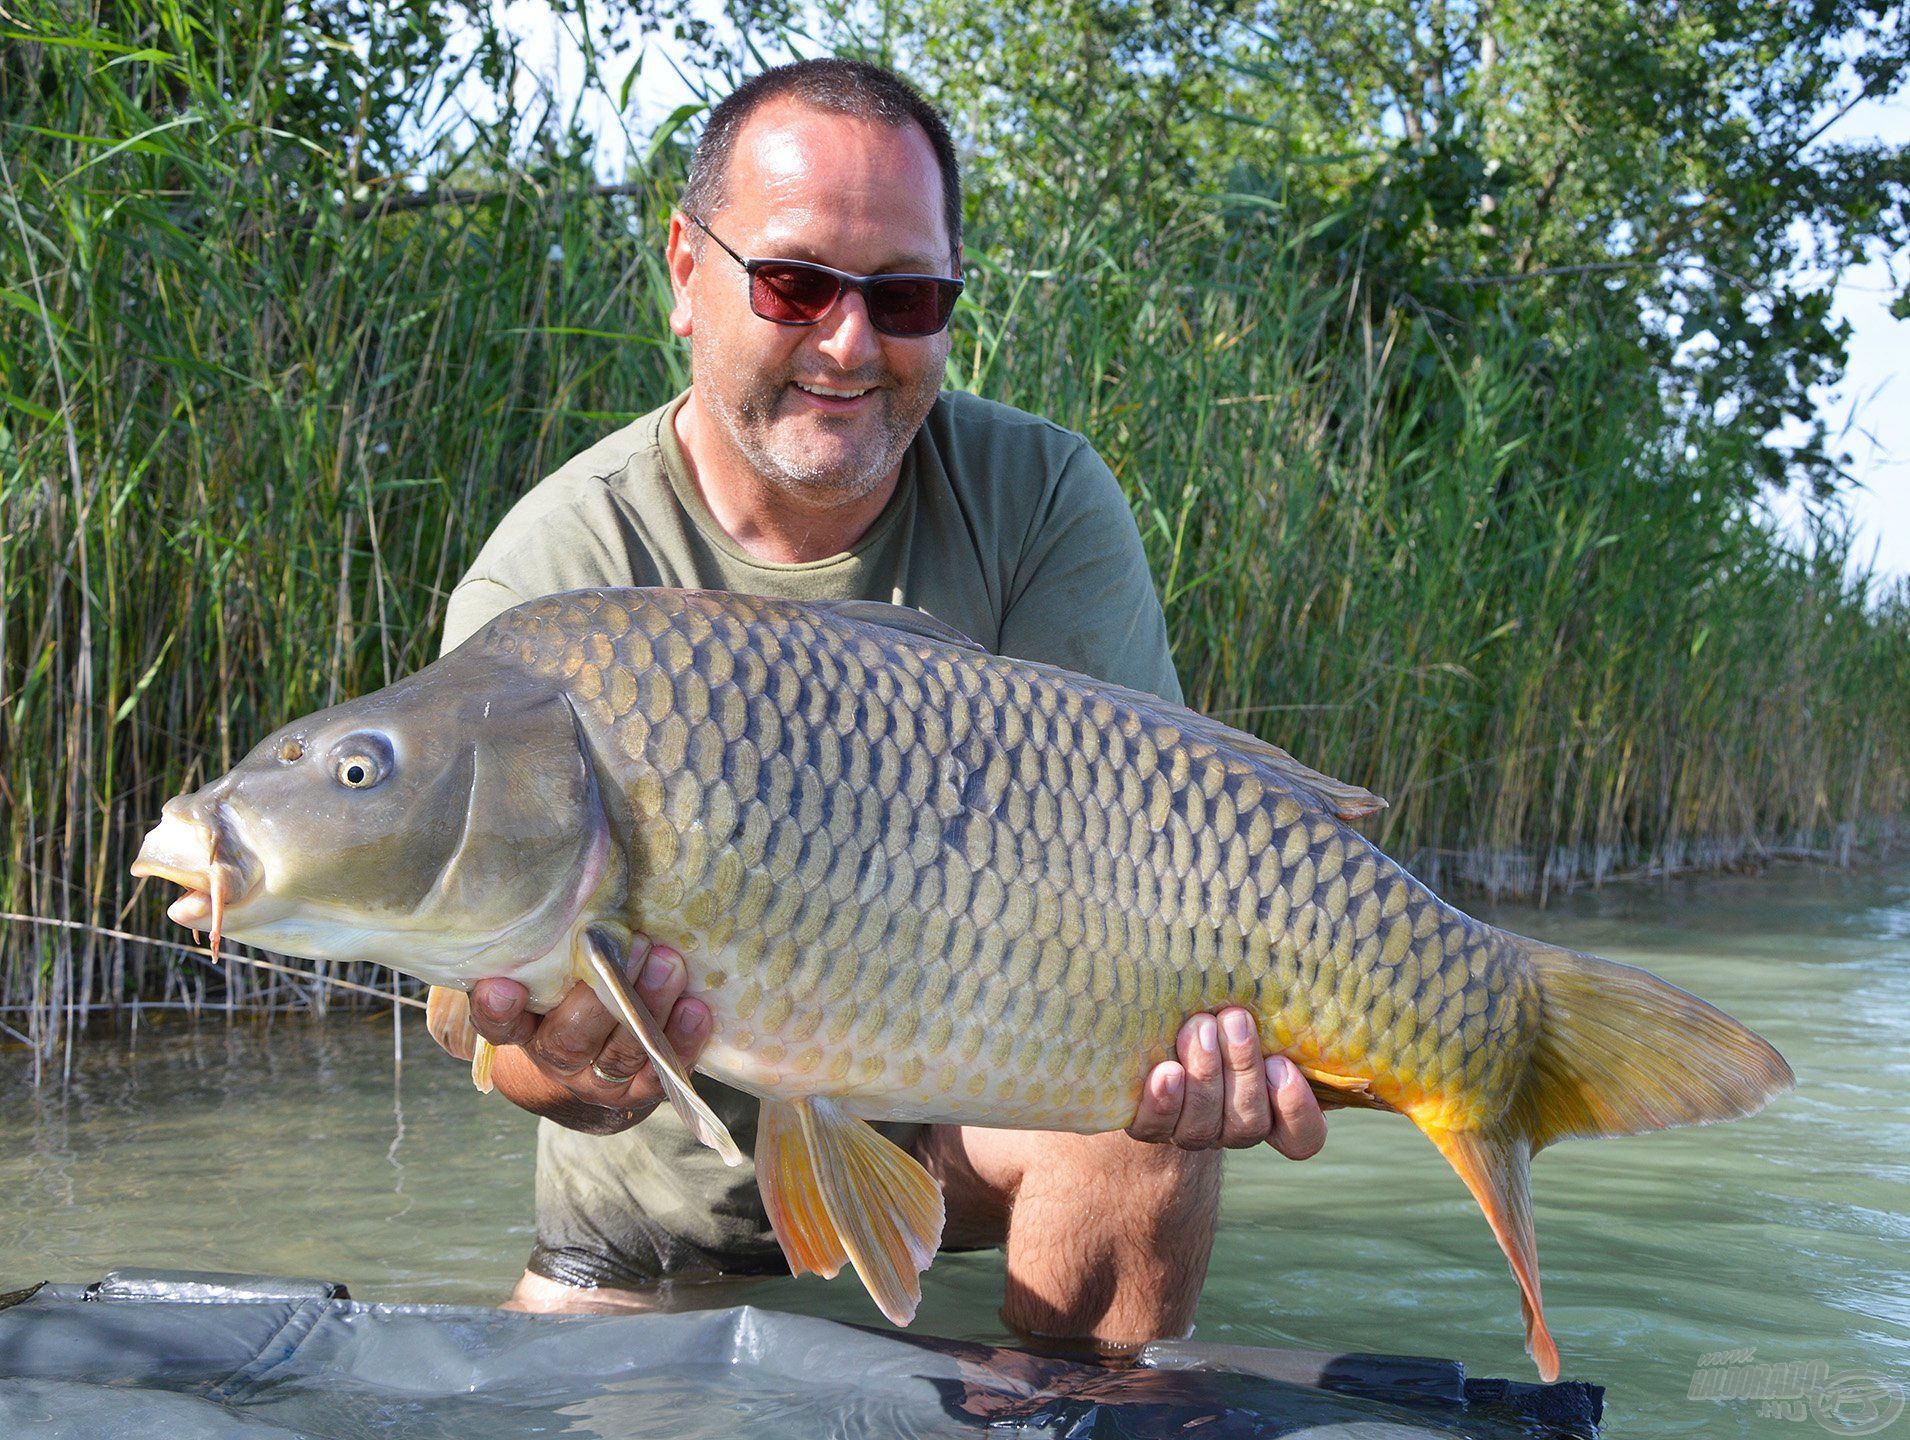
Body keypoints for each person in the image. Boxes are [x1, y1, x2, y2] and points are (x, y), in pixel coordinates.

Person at [426, 57, 1327, 1349]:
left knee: (1148, 1111)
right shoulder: (553, 582)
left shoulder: (1039, 501)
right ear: (687, 271)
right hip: (651, 1226)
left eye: (903, 296)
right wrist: (574, 1065)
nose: (849, 343)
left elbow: (1167, 863)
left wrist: (1251, 1034)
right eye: (795, 283)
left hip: (962, 1148)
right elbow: (498, 1043)